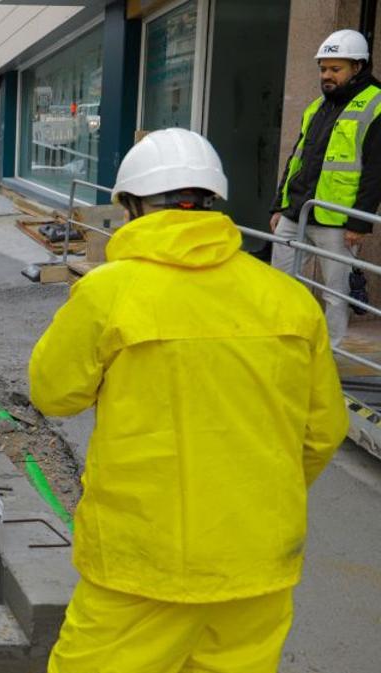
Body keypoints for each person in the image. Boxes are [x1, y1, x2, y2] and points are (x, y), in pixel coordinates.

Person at [30, 128, 348, 672]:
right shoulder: (289, 298)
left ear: (132, 207)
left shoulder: (110, 292)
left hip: (143, 563)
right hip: (258, 560)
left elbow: (54, 395)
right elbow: (323, 432)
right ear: (210, 202)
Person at [271, 29, 381, 347]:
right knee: (282, 284)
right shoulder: (319, 106)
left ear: (357, 67)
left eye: (336, 69)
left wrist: (359, 222)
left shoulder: (375, 105)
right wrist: (279, 206)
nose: (327, 76)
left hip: (338, 220)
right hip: (296, 212)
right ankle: (285, 343)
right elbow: (296, 159)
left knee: (335, 294)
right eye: (323, 69)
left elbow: (376, 172)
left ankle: (328, 353)